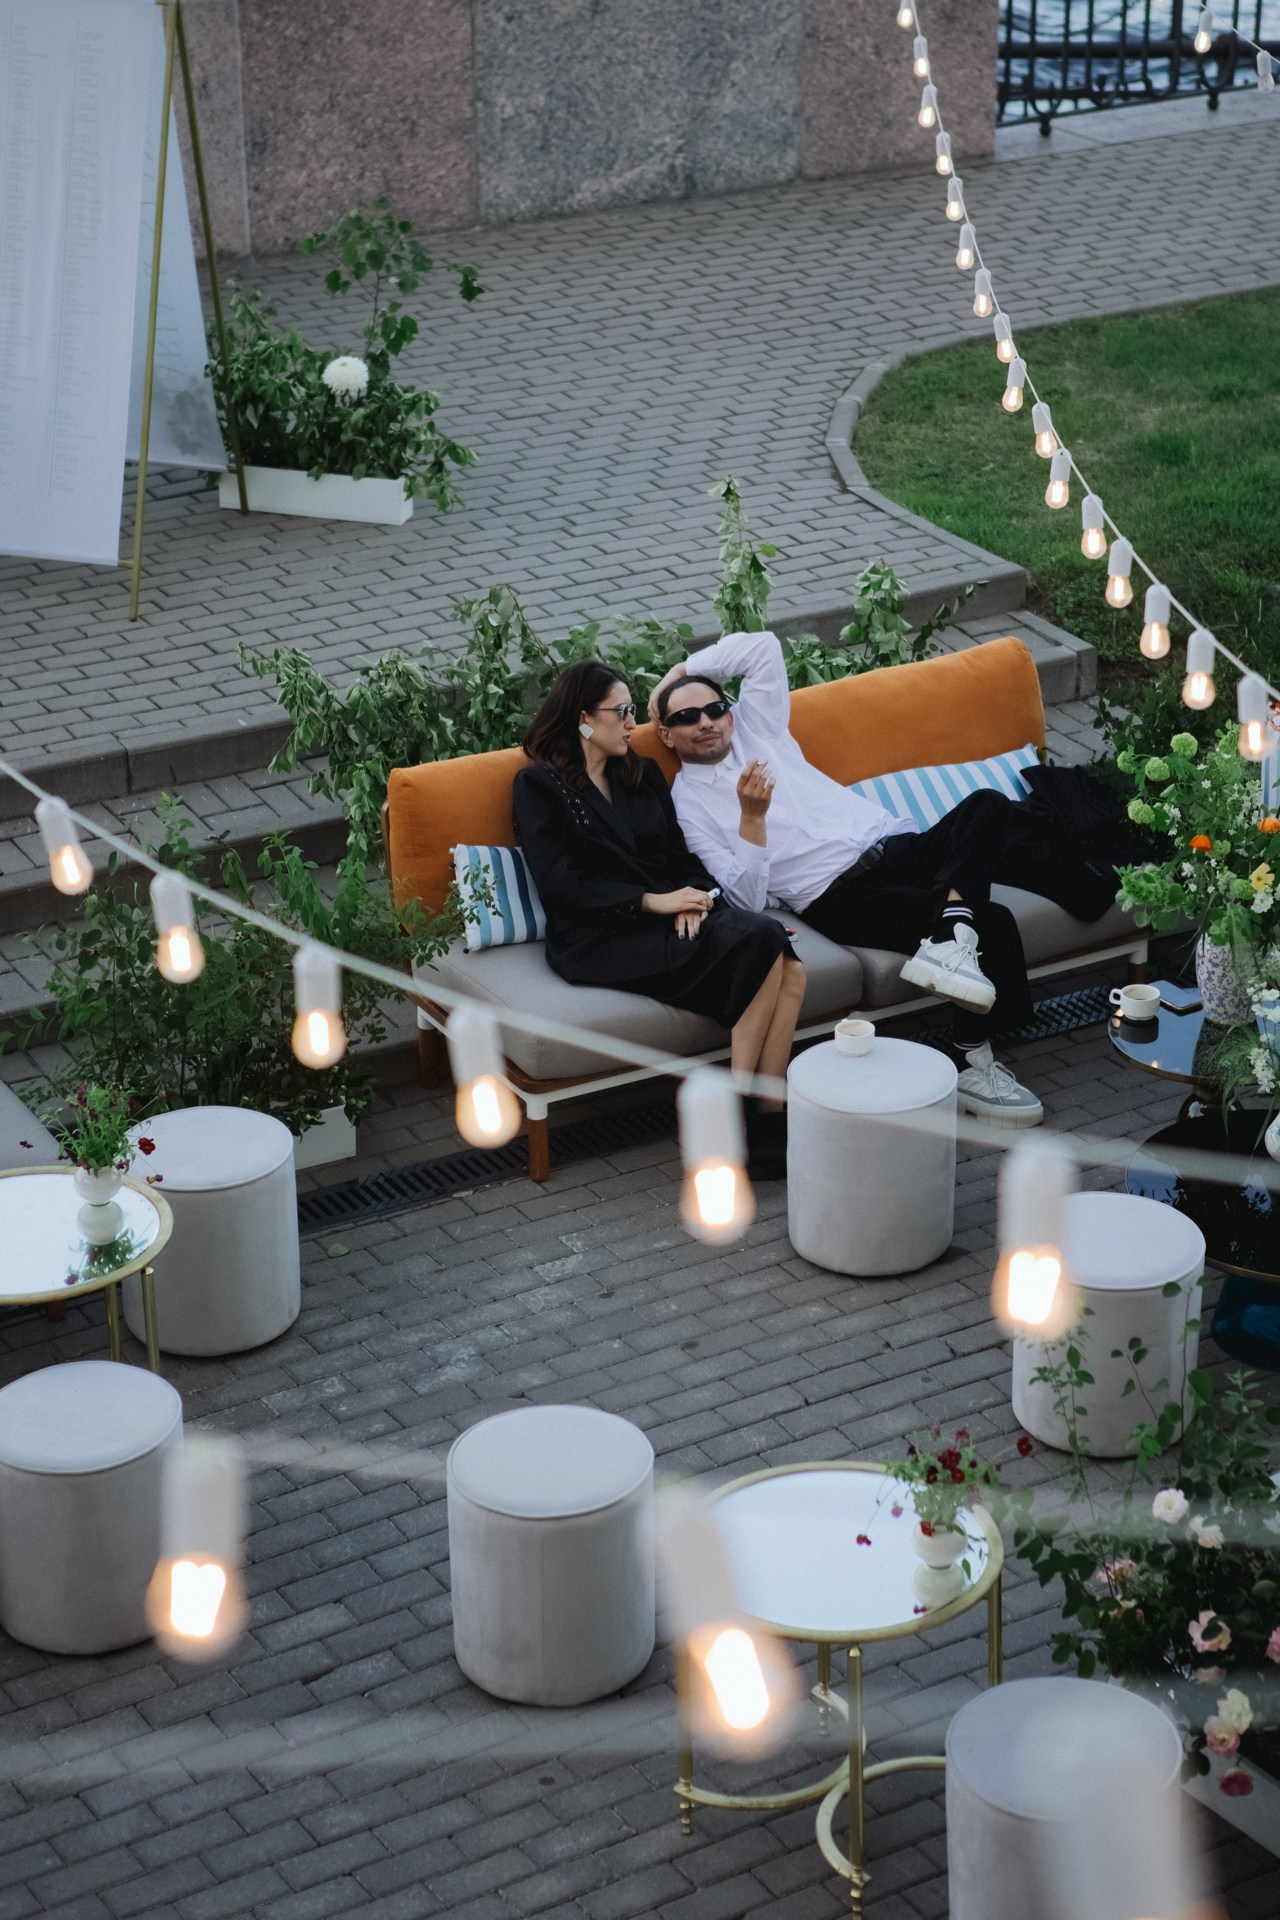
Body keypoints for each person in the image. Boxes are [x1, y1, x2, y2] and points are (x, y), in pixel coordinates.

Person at [649, 629, 1089, 1126]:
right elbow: (746, 901)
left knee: (988, 806)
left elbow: (763, 647)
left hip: (898, 846)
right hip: (840, 896)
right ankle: (971, 1056)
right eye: (686, 717)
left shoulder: (759, 730)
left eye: (714, 709)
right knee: (993, 921)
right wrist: (753, 819)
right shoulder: (688, 805)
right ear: (665, 734)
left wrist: (679, 673)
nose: (705, 722)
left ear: (730, 714)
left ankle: (951, 933)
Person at [513, 660, 807, 1176]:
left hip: (667, 920)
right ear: (584, 719)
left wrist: (695, 898)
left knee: (790, 967)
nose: (633, 723)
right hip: (598, 937)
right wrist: (654, 902)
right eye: (622, 712)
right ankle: (741, 1113)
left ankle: (766, 1110)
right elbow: (561, 884)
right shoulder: (538, 786)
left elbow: (679, 856)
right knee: (765, 942)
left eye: (633, 711)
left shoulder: (641, 773)